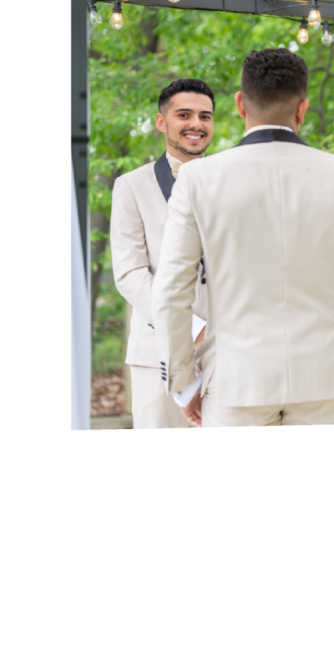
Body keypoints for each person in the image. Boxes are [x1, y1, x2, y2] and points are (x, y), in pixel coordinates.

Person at [151, 48, 334, 427]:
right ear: (302, 109)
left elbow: (171, 289)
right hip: (322, 380)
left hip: (235, 381)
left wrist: (183, 383)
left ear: (240, 104)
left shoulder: (198, 179)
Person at [109, 78, 215, 428]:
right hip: (158, 356)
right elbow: (130, 273)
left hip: (227, 354)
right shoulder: (130, 186)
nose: (196, 124)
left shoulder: (232, 181)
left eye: (205, 116)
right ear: (161, 122)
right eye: (184, 115)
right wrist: (188, 328)